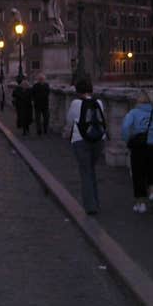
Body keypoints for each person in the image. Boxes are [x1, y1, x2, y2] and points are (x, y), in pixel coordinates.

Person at [121, 90, 153, 214]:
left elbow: (125, 128)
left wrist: (128, 140)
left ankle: (141, 203)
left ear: (138, 100)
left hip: (138, 148)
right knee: (152, 172)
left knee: (138, 174)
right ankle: (152, 194)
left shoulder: (133, 113)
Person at [64, 78, 106, 215]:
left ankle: (91, 206)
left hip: (81, 141)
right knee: (91, 169)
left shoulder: (76, 103)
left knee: (85, 171)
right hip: (98, 141)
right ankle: (97, 201)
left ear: (77, 91)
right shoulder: (98, 102)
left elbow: (69, 120)